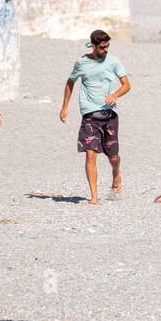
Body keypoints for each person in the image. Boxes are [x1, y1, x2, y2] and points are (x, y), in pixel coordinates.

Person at [60, 30, 130, 205]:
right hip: (90, 114)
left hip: (109, 115)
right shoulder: (82, 62)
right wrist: (65, 107)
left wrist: (115, 94)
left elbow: (127, 85)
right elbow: (70, 82)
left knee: (113, 156)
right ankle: (94, 196)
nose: (105, 50)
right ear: (93, 45)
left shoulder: (113, 61)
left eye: (107, 46)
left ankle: (116, 173)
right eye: (102, 47)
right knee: (90, 154)